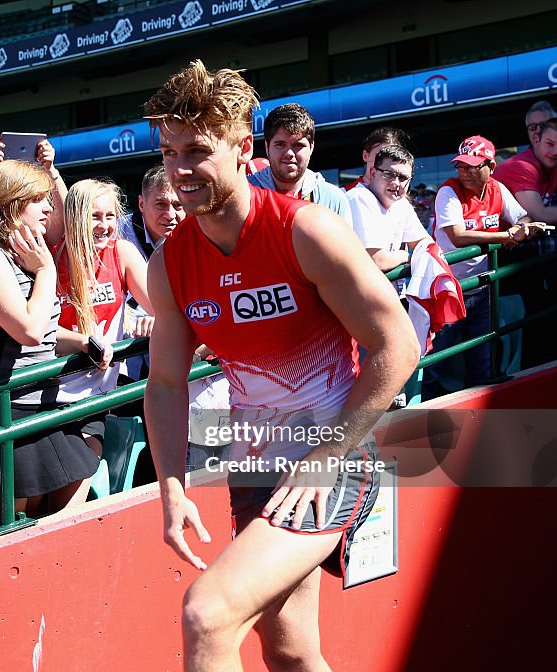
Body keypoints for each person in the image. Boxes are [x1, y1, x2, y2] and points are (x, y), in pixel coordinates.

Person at [142, 60, 420, 671]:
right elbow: (164, 381)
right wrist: (171, 483)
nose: (180, 170)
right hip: (256, 461)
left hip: (336, 455)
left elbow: (399, 344)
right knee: (290, 651)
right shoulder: (169, 263)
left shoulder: (307, 231)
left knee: (207, 614)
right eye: (169, 152)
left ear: (245, 149)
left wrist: (327, 456)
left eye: (197, 150)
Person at [0, 160, 99, 527]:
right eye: (38, 199)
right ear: (10, 203)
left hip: (43, 403)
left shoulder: (24, 257)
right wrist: (47, 269)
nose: (49, 208)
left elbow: (43, 331)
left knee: (61, 519)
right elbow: (28, 330)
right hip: (3, 409)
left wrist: (82, 342)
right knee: (6, 536)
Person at [422, 136, 546, 399]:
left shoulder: (497, 189)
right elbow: (457, 235)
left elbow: (522, 215)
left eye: (472, 166)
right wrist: (506, 237)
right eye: (461, 166)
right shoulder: (448, 191)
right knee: (434, 360)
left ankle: (479, 413)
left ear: (491, 166)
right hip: (446, 289)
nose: (464, 172)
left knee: (482, 357)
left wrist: (520, 227)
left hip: (481, 287)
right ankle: (423, 414)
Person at [54, 178, 153, 484]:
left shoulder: (121, 252)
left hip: (96, 399)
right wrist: (82, 343)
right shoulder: (51, 258)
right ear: (75, 218)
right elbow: (39, 334)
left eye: (110, 216)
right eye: (94, 217)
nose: (104, 225)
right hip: (46, 395)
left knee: (81, 480)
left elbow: (164, 308)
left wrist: (152, 320)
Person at [493, 116, 557, 367]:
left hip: (532, 255)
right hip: (505, 257)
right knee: (528, 329)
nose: (555, 152)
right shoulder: (523, 165)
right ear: (537, 140)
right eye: (550, 144)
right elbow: (540, 213)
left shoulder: (556, 165)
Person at [247, 103, 351, 223]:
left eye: (298, 145)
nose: (289, 153)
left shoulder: (333, 199)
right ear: (267, 147)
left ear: (311, 147)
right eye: (280, 144)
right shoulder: (245, 194)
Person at [346, 144, 432, 272]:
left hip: (390, 290)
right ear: (373, 173)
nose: (396, 183)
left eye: (403, 178)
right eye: (389, 175)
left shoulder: (401, 202)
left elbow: (425, 243)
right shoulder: (358, 197)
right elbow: (377, 260)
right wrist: (405, 256)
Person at [119, 165, 185, 259]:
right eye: (161, 204)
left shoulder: (197, 237)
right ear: (141, 204)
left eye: (178, 205)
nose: (170, 215)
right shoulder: (117, 233)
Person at [341, 127, 410, 192]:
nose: (387, 163)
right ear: (365, 156)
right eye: (380, 155)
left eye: (393, 158)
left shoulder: (401, 198)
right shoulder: (344, 195)